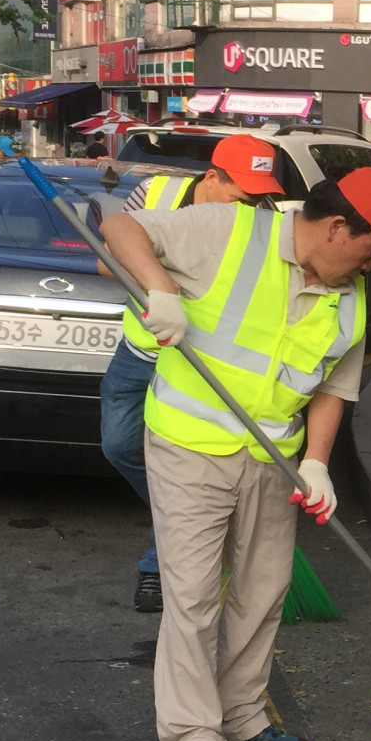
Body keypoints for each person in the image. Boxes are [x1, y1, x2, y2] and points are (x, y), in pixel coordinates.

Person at [98, 165, 371, 741]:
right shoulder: (230, 232)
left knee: (263, 591)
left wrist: (318, 464)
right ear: (336, 229)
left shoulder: (350, 299)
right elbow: (118, 227)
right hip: (190, 448)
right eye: (368, 251)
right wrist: (161, 291)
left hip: (272, 459)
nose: (370, 268)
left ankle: (241, 714)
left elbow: (332, 387)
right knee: (191, 598)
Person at [100, 135, 286, 613]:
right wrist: (162, 280)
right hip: (142, 351)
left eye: (261, 194)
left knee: (186, 473)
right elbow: (107, 258)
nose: (253, 204)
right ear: (211, 178)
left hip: (200, 368)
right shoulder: (155, 194)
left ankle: (158, 562)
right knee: (118, 446)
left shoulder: (264, 221)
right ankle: (195, 520)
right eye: (242, 193)